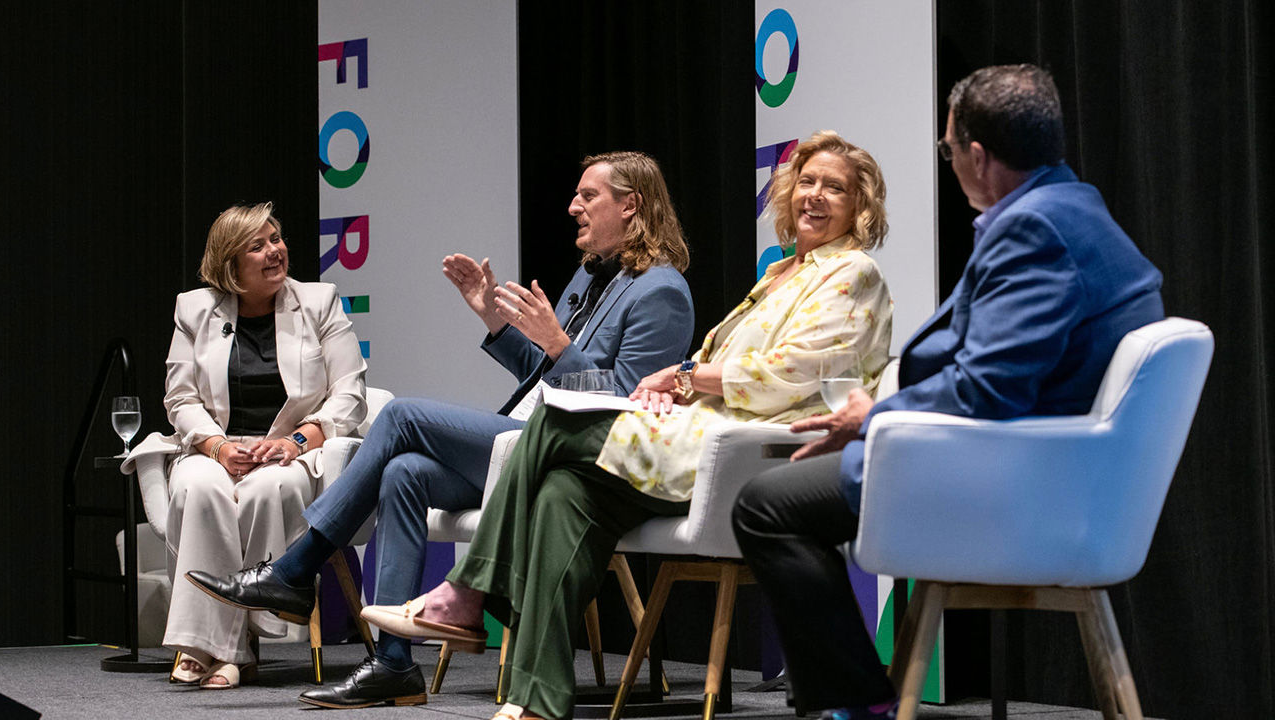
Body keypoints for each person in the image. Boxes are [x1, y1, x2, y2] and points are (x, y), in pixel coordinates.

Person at [359, 131, 895, 720]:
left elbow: (796, 371)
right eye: (808, 182)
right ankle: (534, 700)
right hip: (676, 441)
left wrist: (687, 377)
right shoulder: (777, 277)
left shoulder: (853, 272)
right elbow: (558, 372)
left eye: (835, 187)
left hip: (736, 457)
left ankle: (467, 592)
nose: (814, 196)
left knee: (551, 424)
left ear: (859, 206)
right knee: (564, 494)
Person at [732, 64, 1166, 720]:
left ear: (978, 155)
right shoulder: (1073, 205)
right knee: (790, 488)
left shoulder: (1036, 229)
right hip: (1047, 468)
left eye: (948, 150)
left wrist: (875, 416)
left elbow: (989, 389)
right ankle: (850, 694)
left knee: (764, 505)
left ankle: (857, 702)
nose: (951, 163)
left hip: (1014, 480)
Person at [187, 151, 695, 708]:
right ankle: (393, 664)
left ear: (632, 206)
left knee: (401, 415)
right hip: (527, 432)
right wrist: (492, 319)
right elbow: (548, 376)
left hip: (580, 456)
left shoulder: (662, 290)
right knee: (404, 473)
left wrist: (557, 344)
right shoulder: (593, 275)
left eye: (588, 196)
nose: (573, 206)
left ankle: (296, 567)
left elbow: (626, 402)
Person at [120, 202, 368, 689]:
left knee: (266, 490)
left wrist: (297, 441)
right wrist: (215, 447)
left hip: (294, 448)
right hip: (217, 445)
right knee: (195, 489)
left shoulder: (319, 302)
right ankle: (222, 648)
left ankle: (217, 649)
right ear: (229, 265)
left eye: (276, 238)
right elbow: (181, 397)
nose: (275, 251)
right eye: (258, 246)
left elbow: (351, 394)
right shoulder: (194, 309)